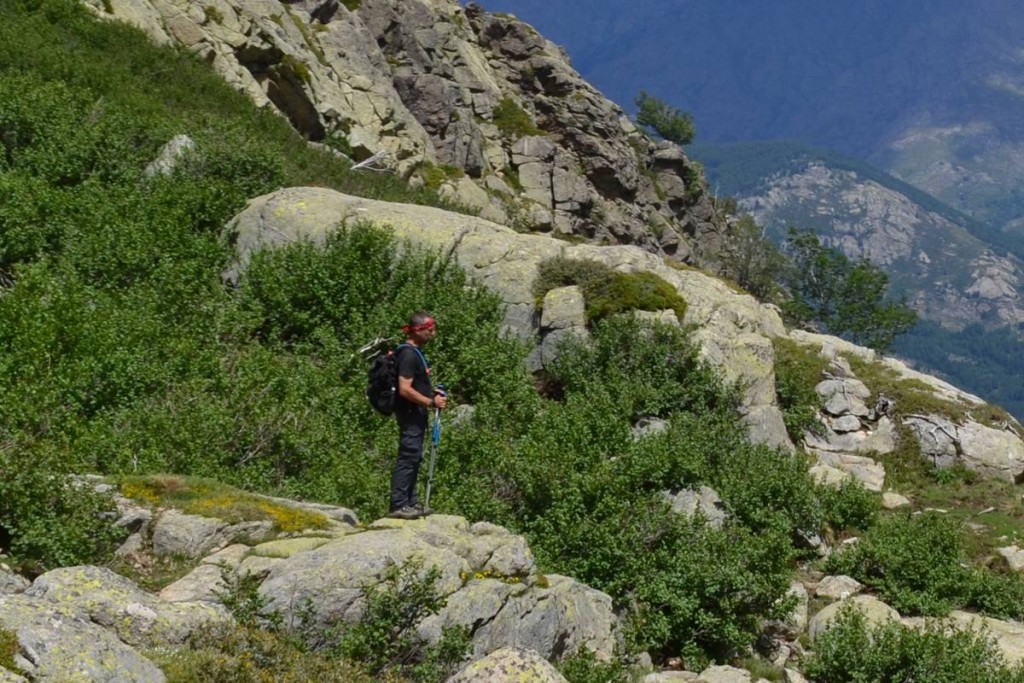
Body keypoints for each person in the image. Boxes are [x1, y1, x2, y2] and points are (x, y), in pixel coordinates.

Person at [388, 311, 447, 519]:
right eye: (431, 330)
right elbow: (404, 389)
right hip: (410, 412)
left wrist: (432, 394)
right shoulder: (408, 354)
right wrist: (431, 402)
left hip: (416, 411)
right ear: (420, 330)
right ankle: (398, 504)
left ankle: (411, 501)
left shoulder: (415, 353)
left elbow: (415, 386)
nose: (434, 334)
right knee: (408, 454)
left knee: (415, 455)